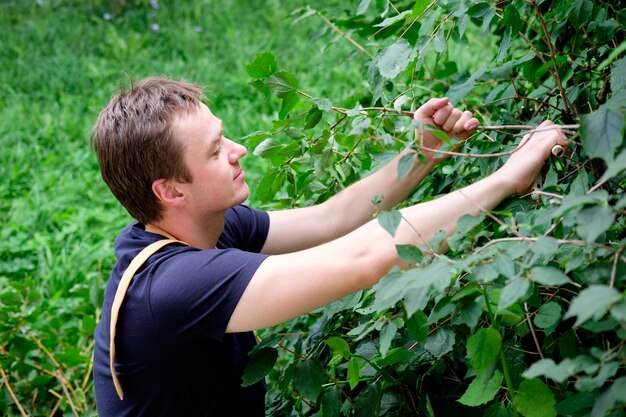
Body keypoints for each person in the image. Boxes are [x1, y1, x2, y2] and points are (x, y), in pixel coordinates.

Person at [91, 77, 567, 416]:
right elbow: (365, 258)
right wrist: (507, 177)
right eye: (215, 151)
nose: (238, 150)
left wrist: (423, 153)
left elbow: (331, 221)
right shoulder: (173, 286)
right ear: (170, 191)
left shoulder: (203, 225)